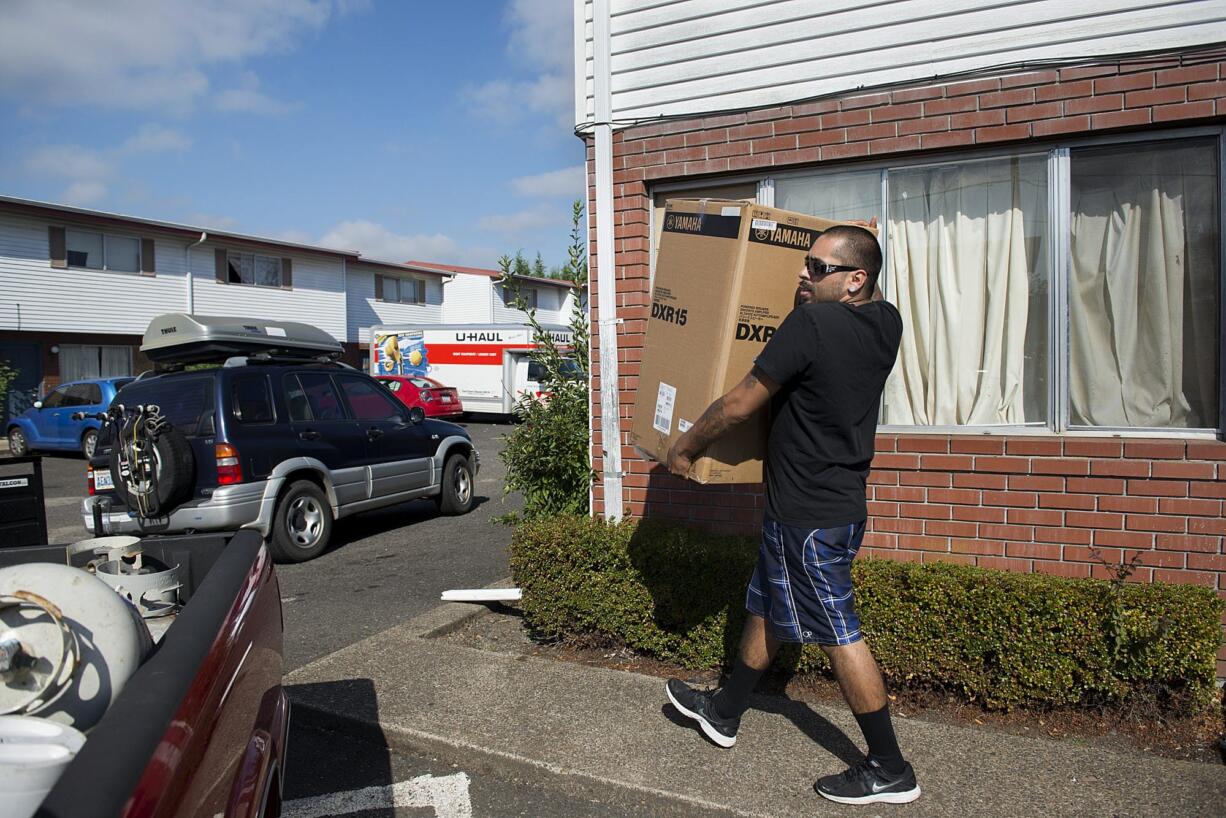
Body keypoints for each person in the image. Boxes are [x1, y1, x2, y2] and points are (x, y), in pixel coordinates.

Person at [663, 224, 919, 806]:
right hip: (837, 506)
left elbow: (736, 404)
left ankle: (889, 766)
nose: (804, 275)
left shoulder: (809, 326)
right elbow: (859, 303)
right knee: (768, 606)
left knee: (837, 632)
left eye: (818, 269)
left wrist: (684, 448)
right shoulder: (887, 322)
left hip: (808, 517)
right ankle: (725, 711)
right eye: (805, 264)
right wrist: (853, 249)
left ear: (855, 280)